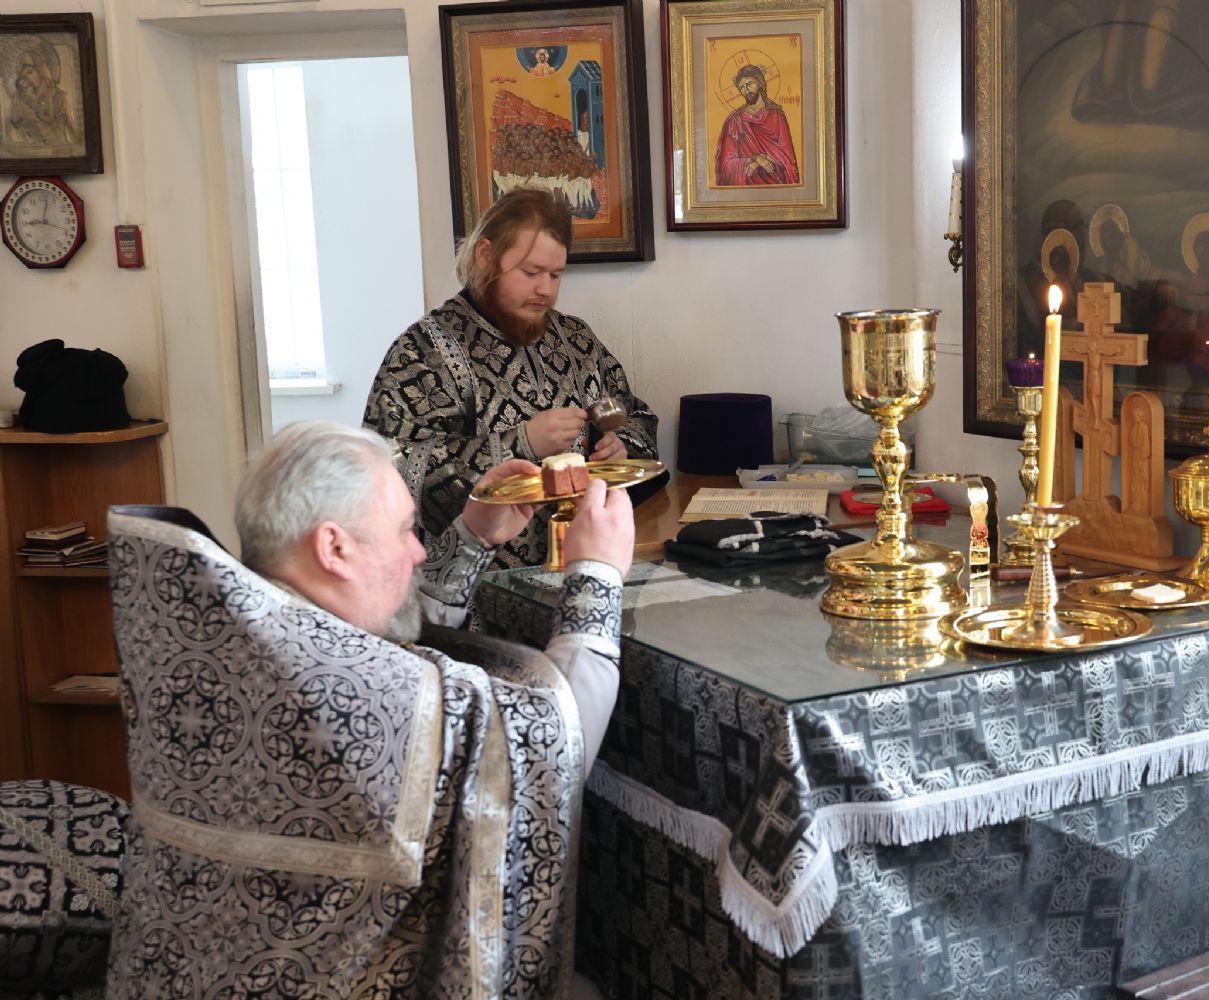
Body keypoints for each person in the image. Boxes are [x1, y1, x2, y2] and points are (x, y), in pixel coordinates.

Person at [105, 420, 633, 999]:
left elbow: (394, 638)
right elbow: (550, 749)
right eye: (405, 529)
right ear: (334, 547)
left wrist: (472, 538)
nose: (419, 550)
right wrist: (598, 575)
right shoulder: (347, 695)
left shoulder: (219, 646)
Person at [365, 187, 658, 569]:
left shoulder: (576, 339)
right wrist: (520, 443)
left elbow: (636, 416)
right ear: (485, 255)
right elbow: (391, 472)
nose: (545, 289)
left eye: (556, 274)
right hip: (471, 586)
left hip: (581, 568)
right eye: (530, 272)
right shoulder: (423, 351)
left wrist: (620, 449)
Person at [713, 64, 800, 186]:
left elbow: (788, 161)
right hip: (745, 188)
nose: (746, 90)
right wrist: (754, 158)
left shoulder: (777, 116)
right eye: (742, 87)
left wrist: (763, 159)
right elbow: (726, 166)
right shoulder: (734, 121)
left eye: (749, 84)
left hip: (775, 187)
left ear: (760, 83)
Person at [7, 46, 77, 148]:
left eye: (30, 72)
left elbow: (65, 127)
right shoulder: (19, 97)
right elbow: (14, 126)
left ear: (40, 70)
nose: (28, 78)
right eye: (23, 76)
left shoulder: (56, 94)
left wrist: (47, 128)